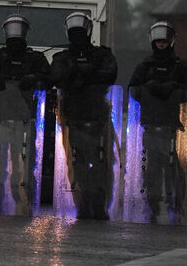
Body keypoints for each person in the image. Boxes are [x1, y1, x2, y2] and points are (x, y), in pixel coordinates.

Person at [49, 11, 118, 220]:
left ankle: (100, 204)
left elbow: (110, 74)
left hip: (98, 119)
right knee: (78, 164)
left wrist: (89, 73)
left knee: (101, 163)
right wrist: (76, 74)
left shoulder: (101, 55)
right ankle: (83, 203)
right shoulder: (63, 57)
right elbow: (56, 77)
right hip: (74, 119)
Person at [127, 20, 187, 223]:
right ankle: (152, 205)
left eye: (164, 41)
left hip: (173, 127)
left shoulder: (180, 66)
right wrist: (150, 90)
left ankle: (175, 206)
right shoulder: (145, 66)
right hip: (150, 124)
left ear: (171, 42)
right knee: (152, 169)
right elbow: (133, 89)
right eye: (158, 42)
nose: (161, 45)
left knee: (174, 168)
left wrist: (172, 90)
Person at [0, 14, 49, 213]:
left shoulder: (35, 58)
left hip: (25, 118)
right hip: (1, 116)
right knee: (0, 159)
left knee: (25, 162)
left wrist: (34, 78)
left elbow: (49, 78)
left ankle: (24, 201)